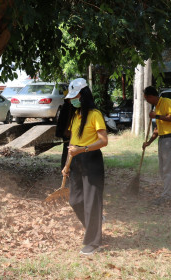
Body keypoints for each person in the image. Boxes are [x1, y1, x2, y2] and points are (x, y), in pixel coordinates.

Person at [62, 78, 108, 255]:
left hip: (92, 160)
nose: (72, 100)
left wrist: (84, 149)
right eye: (71, 97)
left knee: (91, 203)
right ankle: (94, 224)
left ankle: (93, 242)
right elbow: (72, 145)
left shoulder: (95, 114)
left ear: (84, 95)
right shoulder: (75, 116)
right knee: (75, 201)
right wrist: (67, 166)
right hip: (77, 162)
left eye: (76, 96)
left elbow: (104, 141)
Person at [142, 86, 171, 205]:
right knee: (162, 168)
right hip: (163, 140)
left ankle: (167, 195)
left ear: (151, 96)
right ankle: (167, 193)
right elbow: (158, 129)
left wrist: (156, 116)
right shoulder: (156, 107)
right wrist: (149, 142)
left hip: (170, 139)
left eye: (146, 99)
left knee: (168, 169)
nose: (146, 101)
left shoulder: (166, 102)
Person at [55, 93, 75, 169]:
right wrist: (65, 132)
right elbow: (62, 122)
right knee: (67, 152)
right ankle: (65, 168)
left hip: (71, 134)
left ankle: (69, 168)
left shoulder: (73, 107)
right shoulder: (66, 107)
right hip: (67, 134)